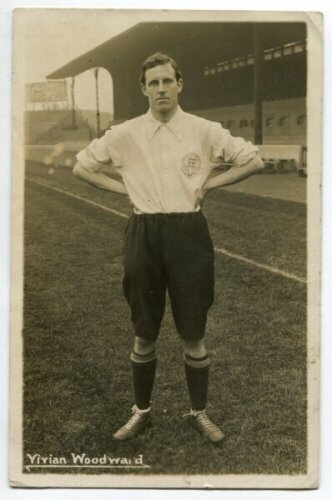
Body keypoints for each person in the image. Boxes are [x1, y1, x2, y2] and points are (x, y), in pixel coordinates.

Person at [73, 52, 263, 444]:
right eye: (153, 83)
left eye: (167, 81)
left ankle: (200, 413)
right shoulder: (125, 133)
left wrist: (210, 184)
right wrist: (122, 188)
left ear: (180, 84)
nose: (161, 89)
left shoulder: (203, 130)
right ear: (144, 89)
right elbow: (82, 167)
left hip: (189, 234)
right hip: (143, 232)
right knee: (144, 331)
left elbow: (253, 160)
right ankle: (141, 412)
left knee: (193, 331)